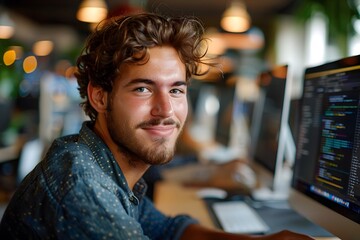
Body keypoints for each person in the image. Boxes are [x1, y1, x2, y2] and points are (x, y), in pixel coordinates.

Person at [0, 12, 313, 240]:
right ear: (99, 96)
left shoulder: (100, 161)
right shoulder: (82, 187)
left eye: (176, 90)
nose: (166, 110)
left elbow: (166, 229)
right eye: (143, 89)